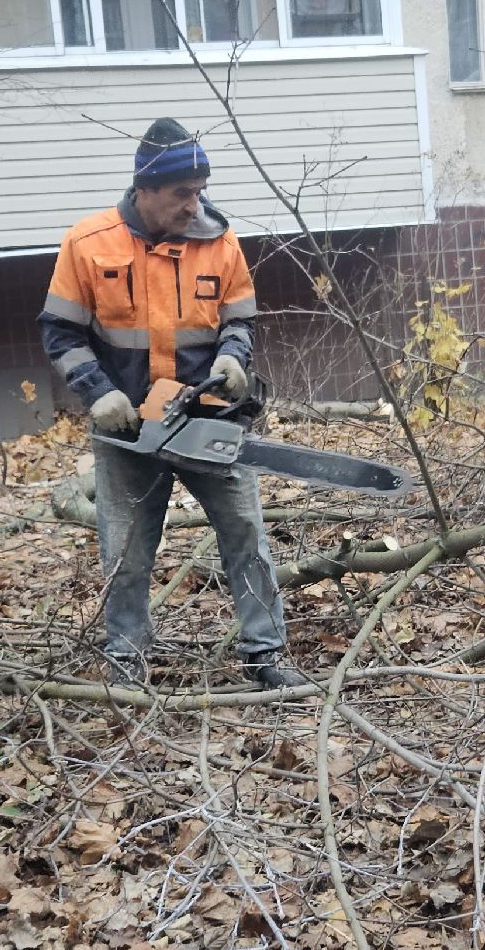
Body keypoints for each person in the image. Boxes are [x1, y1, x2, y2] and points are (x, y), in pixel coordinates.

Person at [39, 118, 308, 691]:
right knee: (128, 553)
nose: (194, 204)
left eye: (199, 190)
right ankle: (127, 663)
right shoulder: (88, 244)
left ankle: (264, 655)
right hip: (129, 429)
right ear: (145, 189)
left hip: (207, 420)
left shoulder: (220, 239)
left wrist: (234, 358)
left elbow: (239, 318)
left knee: (246, 538)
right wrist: (99, 392)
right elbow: (60, 333)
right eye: (181, 193)